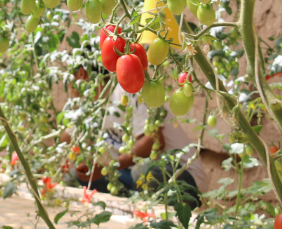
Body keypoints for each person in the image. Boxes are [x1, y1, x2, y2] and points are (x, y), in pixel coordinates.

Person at [63, 62, 206, 208]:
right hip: (132, 178)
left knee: (143, 172)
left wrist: (110, 166)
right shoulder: (93, 106)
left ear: (82, 74)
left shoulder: (127, 89)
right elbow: (66, 138)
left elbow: (154, 142)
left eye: (69, 82)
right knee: (74, 178)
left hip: (182, 175)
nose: (71, 90)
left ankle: (151, 224)